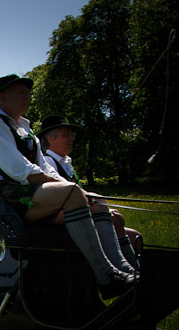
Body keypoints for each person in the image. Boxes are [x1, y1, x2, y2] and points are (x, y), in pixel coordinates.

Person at [0, 74, 134, 297]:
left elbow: (46, 170)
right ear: (2, 97)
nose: (27, 97)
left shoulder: (27, 131)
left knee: (97, 200)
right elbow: (21, 171)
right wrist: (70, 190)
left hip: (26, 191)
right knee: (71, 193)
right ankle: (105, 276)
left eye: (28, 93)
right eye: (21, 92)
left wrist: (83, 193)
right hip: (3, 196)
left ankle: (123, 268)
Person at [38, 115, 140, 270]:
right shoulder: (48, 163)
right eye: (67, 134)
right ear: (51, 138)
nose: (72, 138)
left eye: (73, 134)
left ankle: (131, 273)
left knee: (133, 234)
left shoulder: (66, 164)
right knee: (132, 236)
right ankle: (128, 271)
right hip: (70, 221)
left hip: (82, 213)